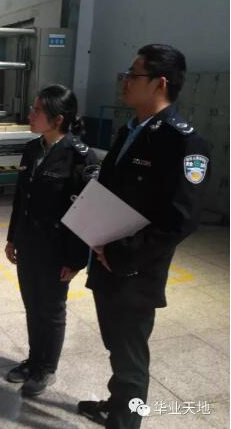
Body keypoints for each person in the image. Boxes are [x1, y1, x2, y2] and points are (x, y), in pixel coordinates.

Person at [78, 44, 212, 428]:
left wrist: (122, 254)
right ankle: (117, 405)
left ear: (159, 83)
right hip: (106, 260)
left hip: (135, 270)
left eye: (134, 74)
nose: (125, 81)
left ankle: (126, 421)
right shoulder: (130, 131)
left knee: (131, 356)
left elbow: (180, 220)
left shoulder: (184, 143)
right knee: (117, 347)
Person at [4, 85, 99, 396]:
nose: (30, 115)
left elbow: (87, 213)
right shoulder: (32, 149)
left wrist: (76, 260)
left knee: (52, 309)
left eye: (37, 111)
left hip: (58, 250)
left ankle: (47, 368)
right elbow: (21, 199)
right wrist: (13, 238)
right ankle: (34, 360)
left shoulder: (80, 157)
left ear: (57, 119)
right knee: (32, 305)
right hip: (29, 243)